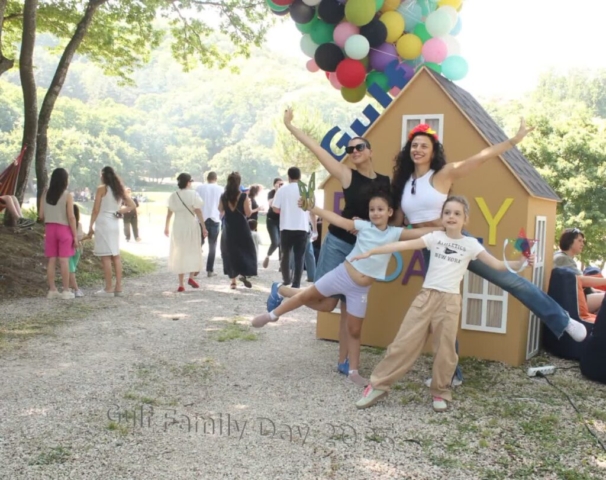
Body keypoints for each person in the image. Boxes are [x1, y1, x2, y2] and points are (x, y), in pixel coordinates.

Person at [390, 122, 588, 382]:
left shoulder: (443, 174)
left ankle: (562, 320)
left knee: (509, 280)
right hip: (432, 249)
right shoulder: (404, 183)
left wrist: (514, 140)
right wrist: (368, 228)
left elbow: (481, 157)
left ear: (433, 151)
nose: (417, 149)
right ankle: (450, 376)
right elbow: (398, 224)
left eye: (423, 146)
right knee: (441, 313)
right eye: (414, 145)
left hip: (459, 241)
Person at [354, 196, 538, 412]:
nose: (451, 217)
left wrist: (522, 262)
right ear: (442, 217)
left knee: (445, 351)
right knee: (402, 344)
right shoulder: (434, 237)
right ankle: (378, 386)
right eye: (447, 212)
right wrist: (372, 251)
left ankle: (440, 392)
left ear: (465, 219)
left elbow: (497, 265)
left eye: (457, 213)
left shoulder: (470, 244)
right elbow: (403, 244)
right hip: (425, 298)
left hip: (450, 302)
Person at [253, 187, 439, 385]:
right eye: (372, 210)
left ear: (390, 212)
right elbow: (337, 220)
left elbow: (420, 233)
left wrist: (445, 228)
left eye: (380, 209)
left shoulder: (395, 233)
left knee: (355, 330)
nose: (376, 213)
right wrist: (313, 208)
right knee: (306, 296)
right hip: (341, 275)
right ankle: (272, 316)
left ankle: (354, 372)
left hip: (360, 290)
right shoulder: (363, 226)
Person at [279, 107, 390, 378]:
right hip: (339, 243)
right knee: (327, 303)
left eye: (359, 147)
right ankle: (279, 290)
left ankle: (344, 362)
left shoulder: (386, 182)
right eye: (350, 149)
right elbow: (318, 150)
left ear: (370, 151)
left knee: (348, 309)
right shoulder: (347, 175)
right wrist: (291, 127)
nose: (354, 151)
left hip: (361, 253)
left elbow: (390, 216)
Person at [88, 166, 136, 297]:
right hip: (114, 222)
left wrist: (90, 225)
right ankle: (118, 287)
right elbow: (132, 205)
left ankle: (108, 288)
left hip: (103, 222)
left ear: (103, 176)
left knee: (106, 257)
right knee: (116, 255)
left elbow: (96, 209)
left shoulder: (101, 189)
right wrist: (119, 211)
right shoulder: (119, 190)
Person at [39, 168, 78, 299]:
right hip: (64, 229)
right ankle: (66, 290)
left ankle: (52, 290)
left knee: (52, 259)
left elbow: (41, 215)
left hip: (49, 229)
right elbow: (71, 217)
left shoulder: (45, 193)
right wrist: (75, 236)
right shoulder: (67, 195)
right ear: (65, 180)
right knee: (64, 260)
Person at [165, 173, 207, 292]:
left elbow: (169, 213)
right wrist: (204, 227)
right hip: (191, 225)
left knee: (180, 252)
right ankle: (191, 277)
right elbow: (198, 211)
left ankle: (181, 284)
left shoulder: (173, 196)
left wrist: (166, 227)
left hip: (178, 226)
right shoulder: (193, 194)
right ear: (188, 182)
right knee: (193, 250)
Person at [272, 167, 310, 289]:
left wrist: (285, 210)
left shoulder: (282, 190)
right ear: (300, 176)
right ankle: (296, 283)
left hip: (286, 226)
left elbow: (275, 208)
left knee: (285, 255)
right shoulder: (306, 189)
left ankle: (286, 279)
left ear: (288, 176)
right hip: (302, 226)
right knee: (299, 256)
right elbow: (312, 208)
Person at [219, 172, 257, 289]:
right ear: (238, 183)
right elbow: (248, 213)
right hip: (241, 227)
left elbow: (220, 209)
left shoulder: (224, 196)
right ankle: (243, 273)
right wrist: (249, 205)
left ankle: (233, 281)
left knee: (230, 252)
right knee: (245, 250)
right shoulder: (243, 196)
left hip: (229, 227)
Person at [554, 228, 606, 313]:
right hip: (577, 302)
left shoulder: (564, 257)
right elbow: (581, 281)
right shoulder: (562, 258)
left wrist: (598, 291)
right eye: (579, 241)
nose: (582, 244)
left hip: (582, 296)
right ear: (569, 241)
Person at [195, 172, 223, 277]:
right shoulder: (221, 189)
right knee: (212, 246)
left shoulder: (199, 188)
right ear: (216, 178)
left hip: (201, 219)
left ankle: (195, 267)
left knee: (198, 244)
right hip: (215, 218)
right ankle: (210, 270)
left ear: (207, 178)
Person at [262, 178, 283, 270]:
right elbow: (272, 204)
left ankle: (282, 264)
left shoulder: (284, 193)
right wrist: (277, 191)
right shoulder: (271, 193)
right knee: (275, 242)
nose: (280, 186)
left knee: (281, 243)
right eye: (278, 184)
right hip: (271, 220)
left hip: (281, 220)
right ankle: (268, 256)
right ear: (274, 185)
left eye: (281, 184)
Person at [68, 204, 89, 297]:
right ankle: (70, 288)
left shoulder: (65, 224)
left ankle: (76, 289)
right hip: (78, 249)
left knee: (71, 270)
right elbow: (80, 236)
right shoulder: (79, 224)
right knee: (71, 269)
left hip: (70, 249)